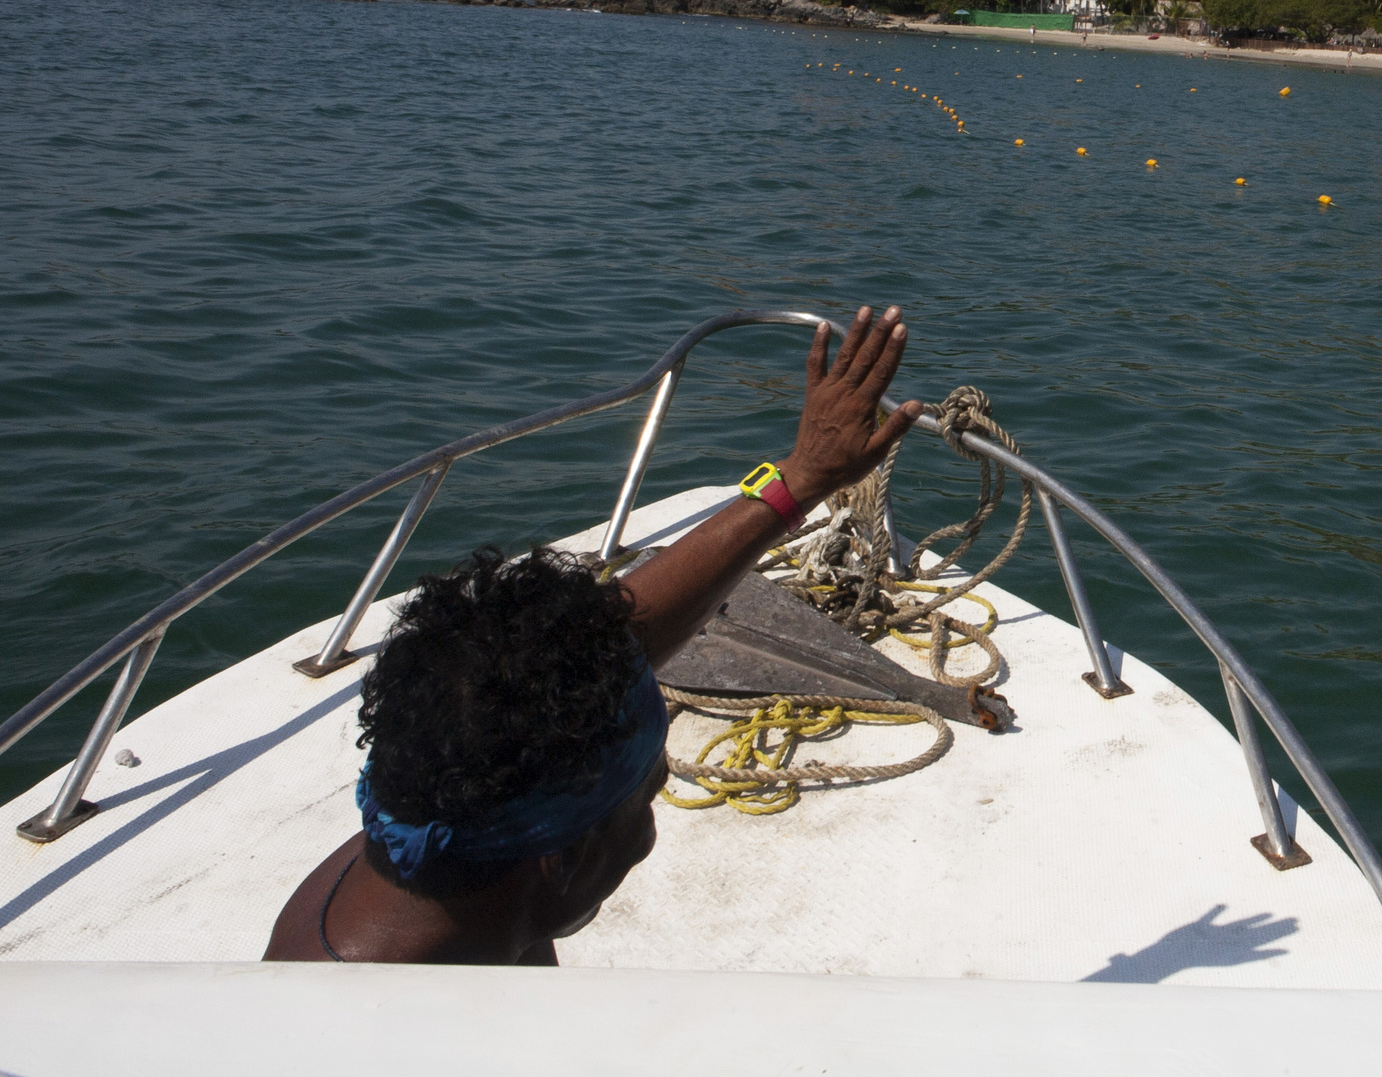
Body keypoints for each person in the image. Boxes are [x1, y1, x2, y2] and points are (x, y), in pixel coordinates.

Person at [264, 306, 923, 965]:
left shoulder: (431, 830)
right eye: (648, 793)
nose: (647, 830)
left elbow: (601, 646)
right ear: (567, 858)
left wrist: (801, 476)